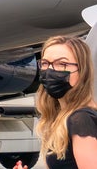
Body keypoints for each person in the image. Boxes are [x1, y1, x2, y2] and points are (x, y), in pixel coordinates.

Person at [14, 35, 97, 169]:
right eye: (45, 63)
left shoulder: (81, 119)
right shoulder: (61, 117)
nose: (50, 71)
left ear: (82, 71)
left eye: (62, 64)